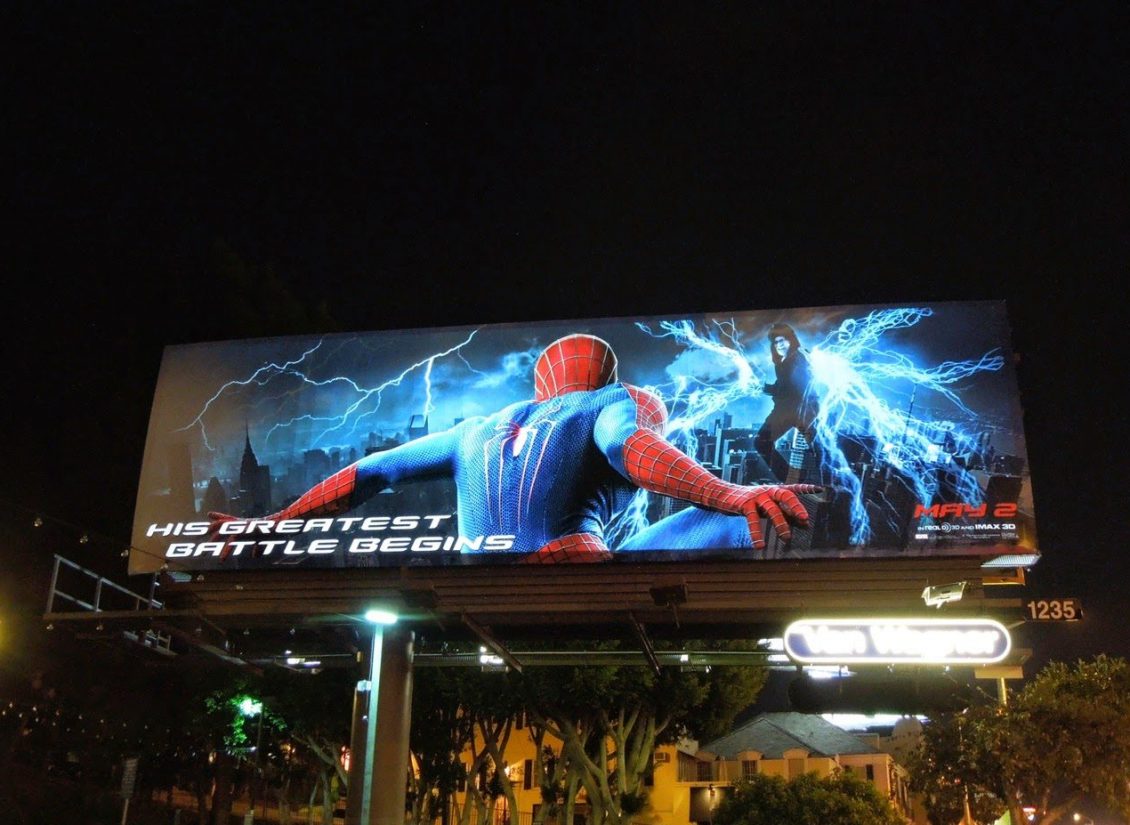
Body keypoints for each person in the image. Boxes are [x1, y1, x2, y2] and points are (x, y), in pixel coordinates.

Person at [210, 334, 819, 563]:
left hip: (482, 579)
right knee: (744, 512)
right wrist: (730, 492)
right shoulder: (608, 403)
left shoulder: (474, 426)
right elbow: (634, 449)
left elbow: (366, 473)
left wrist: (272, 524)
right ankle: (787, 524)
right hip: (574, 567)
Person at [755, 323, 819, 473]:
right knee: (761, 442)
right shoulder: (782, 363)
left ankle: (825, 482)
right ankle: (794, 477)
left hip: (797, 410)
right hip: (788, 409)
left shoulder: (799, 357)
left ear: (791, 339)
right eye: (776, 342)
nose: (779, 345)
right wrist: (764, 388)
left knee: (819, 448)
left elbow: (796, 386)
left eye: (782, 340)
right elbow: (783, 386)